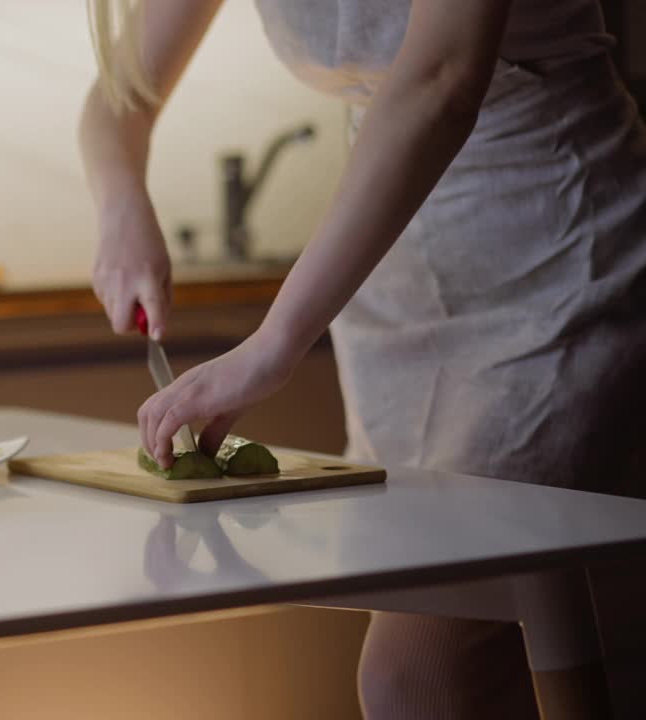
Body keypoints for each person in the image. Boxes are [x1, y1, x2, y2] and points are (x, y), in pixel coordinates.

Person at [78, 1, 646, 718]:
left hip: (562, 260)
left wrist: (275, 341)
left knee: (417, 671)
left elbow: (443, 77)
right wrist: (120, 206)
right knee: (493, 647)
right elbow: (116, 97)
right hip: (391, 289)